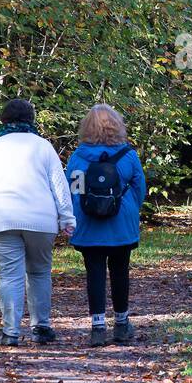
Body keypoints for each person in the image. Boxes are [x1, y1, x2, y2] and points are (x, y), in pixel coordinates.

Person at [0, 99, 75, 347]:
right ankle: (41, 327)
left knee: (9, 276)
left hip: (2, 219)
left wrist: (1, 190)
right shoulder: (43, 146)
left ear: (4, 120)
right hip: (41, 220)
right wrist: (67, 218)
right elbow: (59, 186)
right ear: (32, 120)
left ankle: (11, 332)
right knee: (38, 272)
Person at [65, 103, 146, 347]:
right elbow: (140, 189)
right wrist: (130, 210)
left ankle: (98, 327)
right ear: (117, 126)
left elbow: (74, 191)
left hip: (89, 226)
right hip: (122, 224)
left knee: (94, 272)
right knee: (121, 271)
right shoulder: (128, 156)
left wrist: (78, 217)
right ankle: (121, 324)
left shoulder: (78, 157)